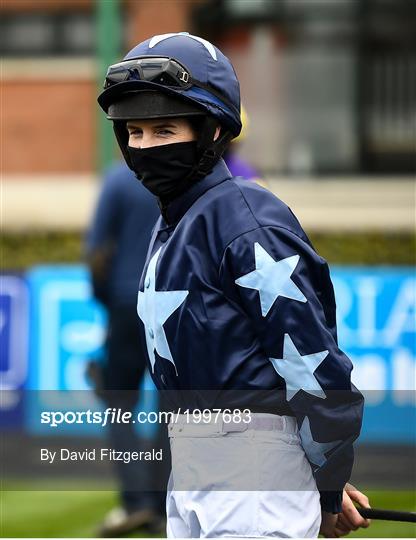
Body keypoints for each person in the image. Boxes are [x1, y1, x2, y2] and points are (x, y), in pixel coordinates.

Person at [97, 31, 371, 538]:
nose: (143, 147)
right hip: (195, 462)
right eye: (134, 132)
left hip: (251, 476)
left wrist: (327, 480)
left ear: (213, 130)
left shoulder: (248, 219)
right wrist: (316, 477)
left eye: (164, 130)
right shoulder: (177, 220)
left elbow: (316, 372)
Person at [85, 162, 168, 536]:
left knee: (117, 402)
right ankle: (163, 503)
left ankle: (137, 502)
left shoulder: (119, 180)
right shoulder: (188, 178)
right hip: (172, 304)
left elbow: (97, 251)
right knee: (173, 408)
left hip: (125, 303)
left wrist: (108, 300)